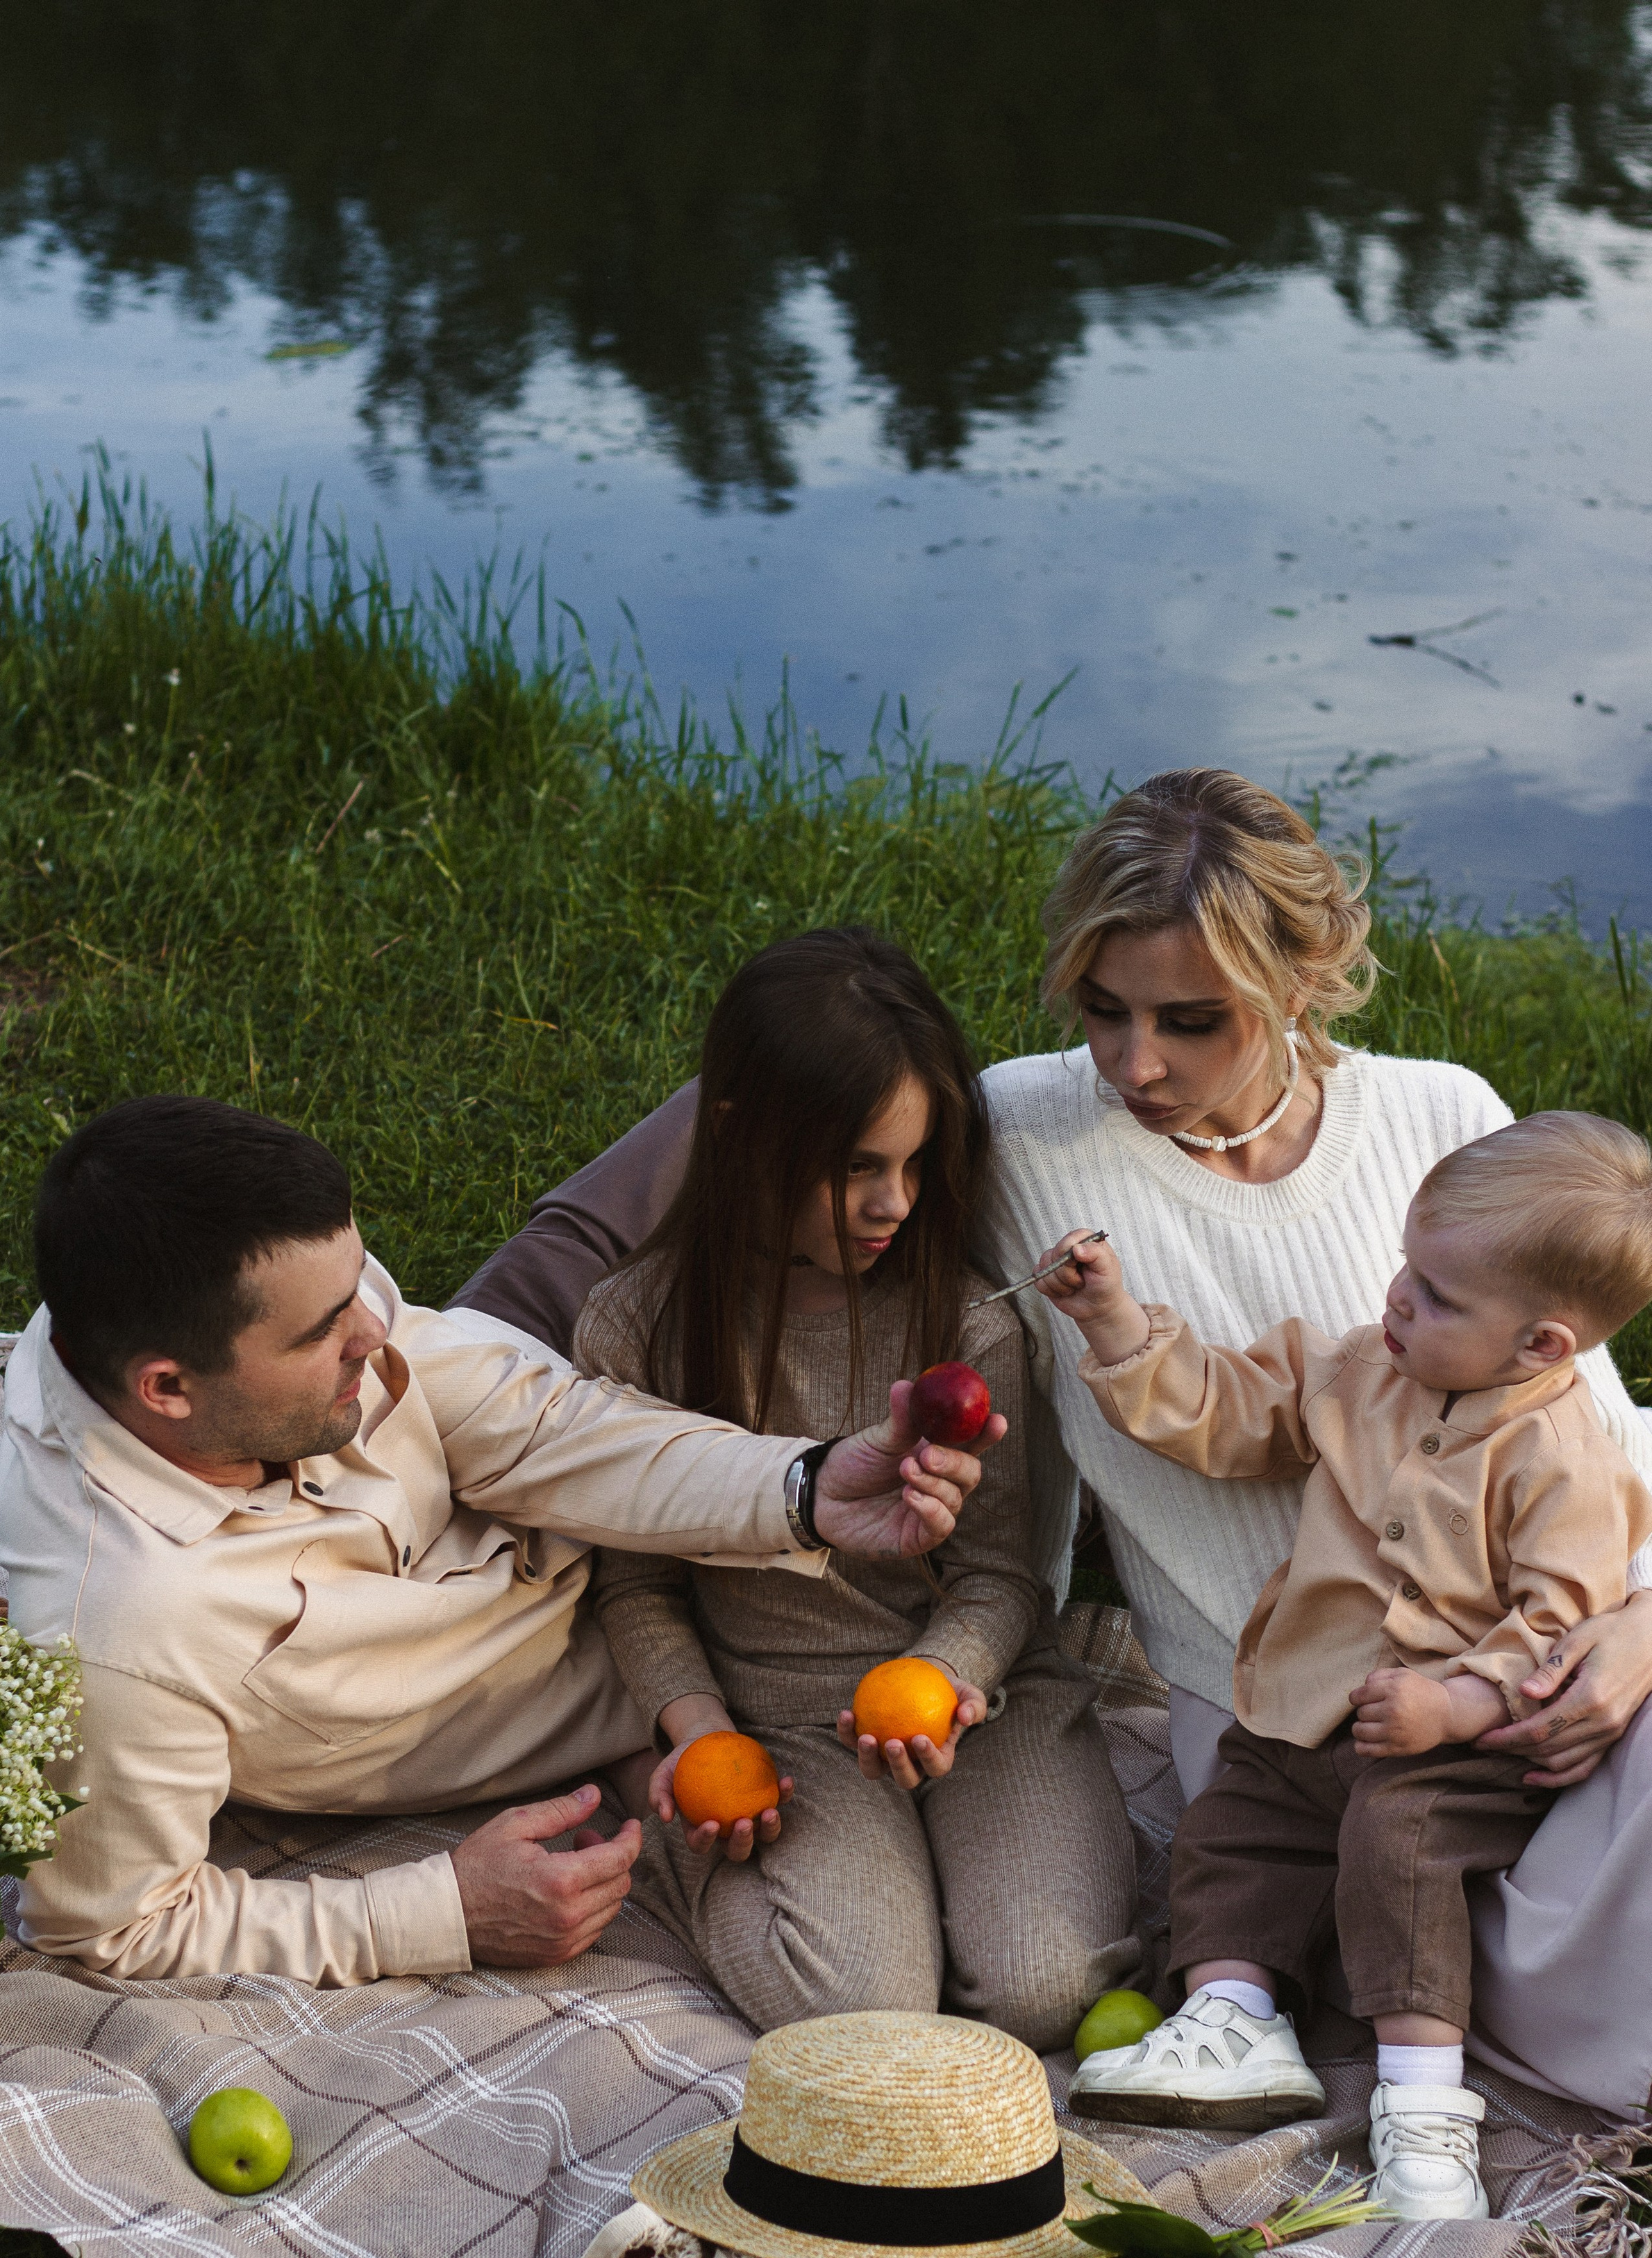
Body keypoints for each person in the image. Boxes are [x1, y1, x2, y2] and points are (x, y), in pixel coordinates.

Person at [455, 769, 1652, 2117]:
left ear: (1300, 978)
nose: (1130, 1065)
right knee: (1513, 1988)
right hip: (1276, 1709)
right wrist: (434, 1365)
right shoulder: (1017, 1131)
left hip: (1536, 1646)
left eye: (1187, 1022)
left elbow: (1594, 1438)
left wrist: (1629, 1633)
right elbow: (751, 1130)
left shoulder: (1444, 1121)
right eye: (1099, 1009)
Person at [0, 1095, 994, 1985]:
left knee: (760, 1104)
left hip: (526, 1405)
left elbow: (559, 1436)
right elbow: (113, 1925)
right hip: (625, 1643)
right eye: (320, 1332)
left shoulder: (221, 1321)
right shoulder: (125, 1639)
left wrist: (806, 1485)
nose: (375, 1336)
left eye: (360, 1288)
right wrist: (444, 1913)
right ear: (165, 1388)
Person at [1051, 1114, 1652, 2215]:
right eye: (1408, 1269)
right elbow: (1230, 1411)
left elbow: (1563, 1622)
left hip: (1454, 1749)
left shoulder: (1565, 1459)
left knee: (1396, 1845)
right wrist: (1116, 1322)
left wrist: (1457, 1703)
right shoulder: (1361, 1370)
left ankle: (1425, 2102)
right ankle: (1235, 2019)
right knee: (1232, 1825)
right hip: (1306, 1704)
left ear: (1542, 1347)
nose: (1398, 1300)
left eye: (1437, 1297)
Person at [571, 928, 1138, 2043]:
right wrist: (692, 1734)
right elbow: (635, 1585)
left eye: (918, 1166)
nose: (895, 1204)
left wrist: (947, 1671)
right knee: (861, 2009)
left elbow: (1004, 1575)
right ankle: (734, 1866)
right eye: (857, 1169)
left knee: (1047, 1990)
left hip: (972, 1698)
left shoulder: (964, 1322)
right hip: (777, 1718)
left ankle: (941, 1867)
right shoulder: (638, 1326)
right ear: (741, 1140)